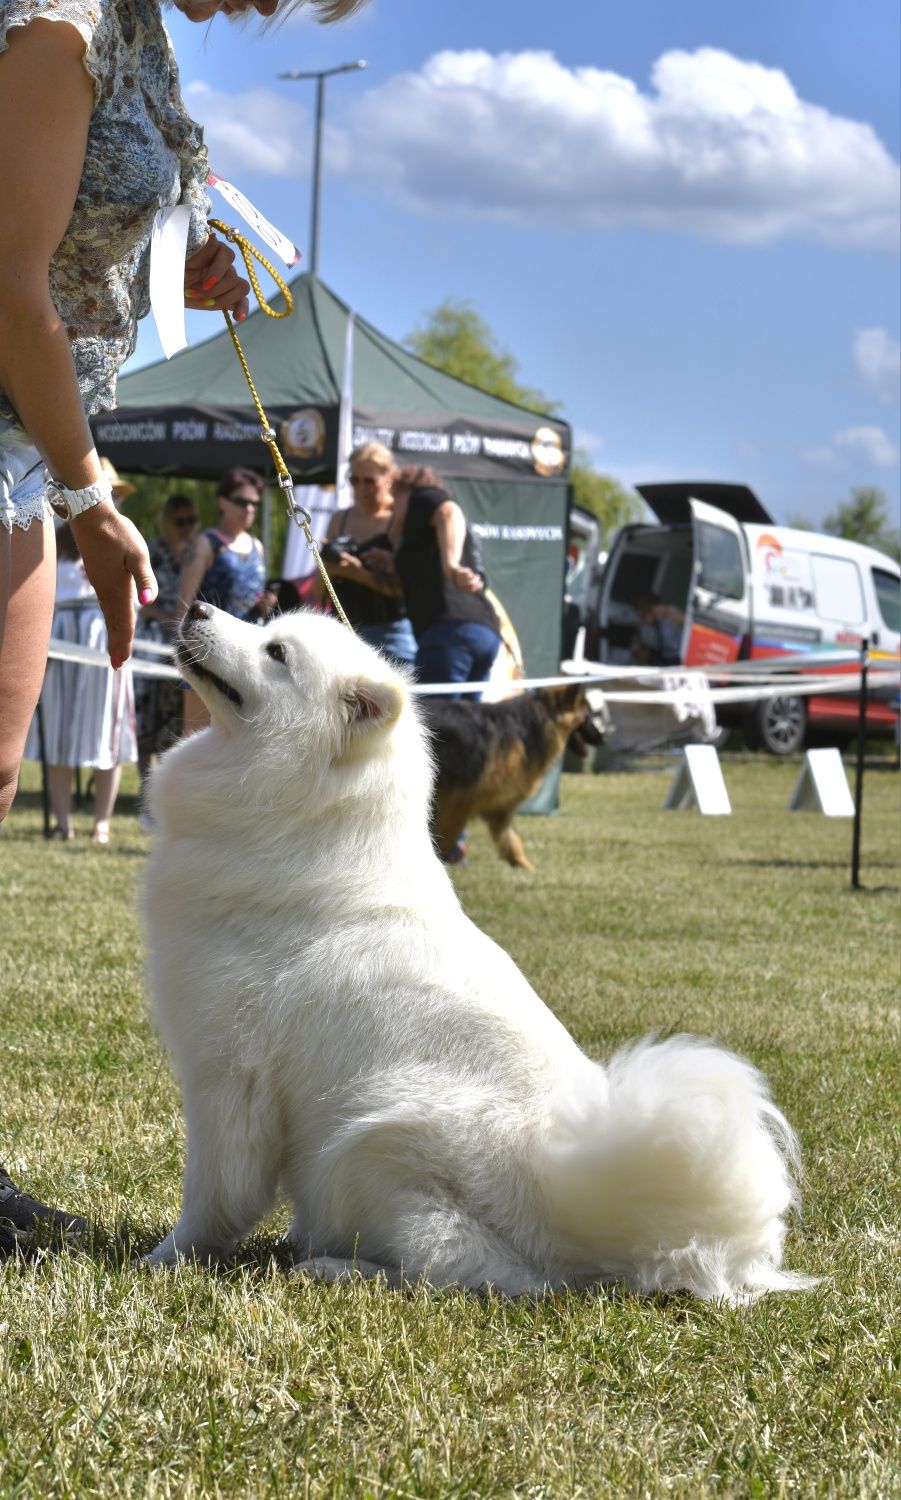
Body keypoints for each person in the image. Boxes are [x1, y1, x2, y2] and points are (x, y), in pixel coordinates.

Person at [0, 0, 360, 1254]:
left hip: (28, 451)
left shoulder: (139, 33)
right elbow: (7, 281)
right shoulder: (61, 21)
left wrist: (177, 262)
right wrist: (98, 500)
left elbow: (75, 248)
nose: (258, 12)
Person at [24, 519, 138, 843]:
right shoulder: (54, 539)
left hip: (105, 637)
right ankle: (63, 822)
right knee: (58, 730)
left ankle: (102, 823)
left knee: (106, 729)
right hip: (59, 640)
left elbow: (140, 595)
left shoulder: (121, 534)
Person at [177, 467, 277, 732]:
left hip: (245, 658)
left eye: (255, 504)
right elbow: (184, 603)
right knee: (197, 738)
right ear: (222, 501)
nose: (250, 509)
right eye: (242, 501)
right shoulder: (205, 544)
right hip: (205, 649)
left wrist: (264, 602)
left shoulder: (256, 545)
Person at [389, 466, 502, 692]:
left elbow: (448, 512)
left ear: (405, 490)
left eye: (394, 498)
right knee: (466, 722)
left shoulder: (422, 497)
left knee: (434, 720)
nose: (391, 507)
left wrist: (451, 566)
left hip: (450, 630)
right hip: (484, 631)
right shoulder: (421, 531)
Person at [318, 442, 417, 667]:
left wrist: (358, 573)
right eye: (354, 480)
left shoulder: (398, 518)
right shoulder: (339, 520)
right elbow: (319, 589)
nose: (361, 488)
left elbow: (405, 590)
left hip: (390, 633)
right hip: (345, 633)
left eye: (370, 481)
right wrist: (327, 566)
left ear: (389, 477)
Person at [134, 492, 199, 804]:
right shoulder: (152, 551)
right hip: (153, 640)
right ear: (167, 521)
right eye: (180, 522)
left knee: (176, 713)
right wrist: (165, 616)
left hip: (183, 641)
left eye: (192, 521)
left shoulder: (196, 551)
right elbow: (139, 601)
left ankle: (170, 783)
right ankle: (145, 784)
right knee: (148, 711)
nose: (187, 527)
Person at [631, 591, 685, 667]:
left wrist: (666, 611)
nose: (641, 618)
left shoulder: (668, 614)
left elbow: (686, 622)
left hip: (680, 656)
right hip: (669, 658)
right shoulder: (656, 623)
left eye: (642, 614)